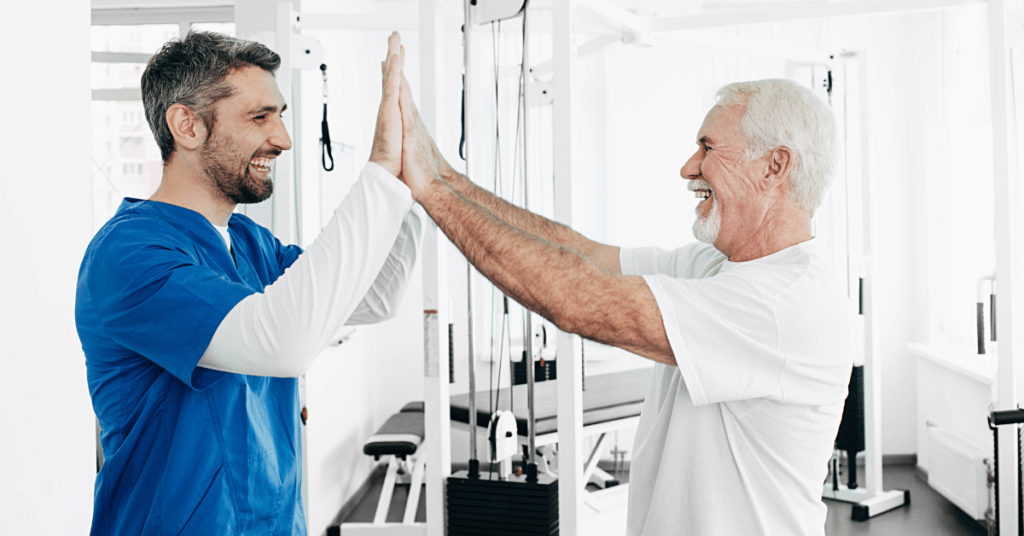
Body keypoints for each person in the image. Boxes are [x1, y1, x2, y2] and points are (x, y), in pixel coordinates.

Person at [396, 65, 853, 534]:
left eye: (708, 147)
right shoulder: (714, 266)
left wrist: (430, 190)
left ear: (774, 166)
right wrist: (443, 175)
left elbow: (574, 298)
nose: (688, 166)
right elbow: (582, 254)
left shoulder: (785, 302)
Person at [76, 31, 419, 535]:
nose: (283, 138)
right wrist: (380, 170)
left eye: (279, 115)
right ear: (187, 125)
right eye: (260, 117)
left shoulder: (249, 242)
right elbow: (284, 343)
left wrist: (411, 181)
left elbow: (374, 295)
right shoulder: (128, 256)